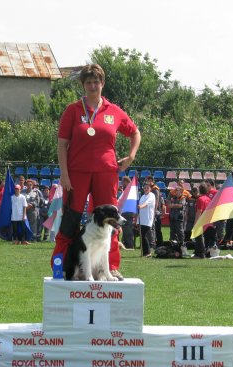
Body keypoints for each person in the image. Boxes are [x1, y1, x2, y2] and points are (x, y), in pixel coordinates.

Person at [51, 63, 141, 281]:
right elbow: (62, 144)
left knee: (111, 221)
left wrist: (131, 156)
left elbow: (135, 133)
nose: (92, 86)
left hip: (106, 173)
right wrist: (64, 173)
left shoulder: (114, 111)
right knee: (71, 220)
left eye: (96, 82)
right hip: (76, 174)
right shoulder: (73, 110)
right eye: (88, 82)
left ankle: (110, 268)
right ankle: (62, 263)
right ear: (83, 85)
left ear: (102, 83)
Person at [193, 183, 213, 259]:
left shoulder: (200, 199)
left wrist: (195, 223)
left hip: (201, 220)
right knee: (201, 237)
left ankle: (201, 254)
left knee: (199, 237)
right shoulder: (208, 199)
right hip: (207, 220)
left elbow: (199, 211)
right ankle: (197, 253)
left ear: (199, 190)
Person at [138, 182, 155, 257]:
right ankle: (145, 252)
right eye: (145, 188)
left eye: (147, 188)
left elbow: (147, 203)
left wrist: (141, 206)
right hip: (141, 218)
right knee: (142, 235)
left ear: (150, 189)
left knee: (144, 235)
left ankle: (148, 252)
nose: (146, 189)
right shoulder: (142, 196)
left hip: (147, 219)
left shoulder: (152, 195)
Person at [119, 176, 136, 249]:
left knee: (128, 231)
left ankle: (130, 246)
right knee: (125, 231)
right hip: (124, 213)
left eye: (123, 181)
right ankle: (126, 244)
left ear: (126, 182)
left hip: (128, 213)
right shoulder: (125, 190)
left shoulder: (130, 190)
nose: (122, 183)